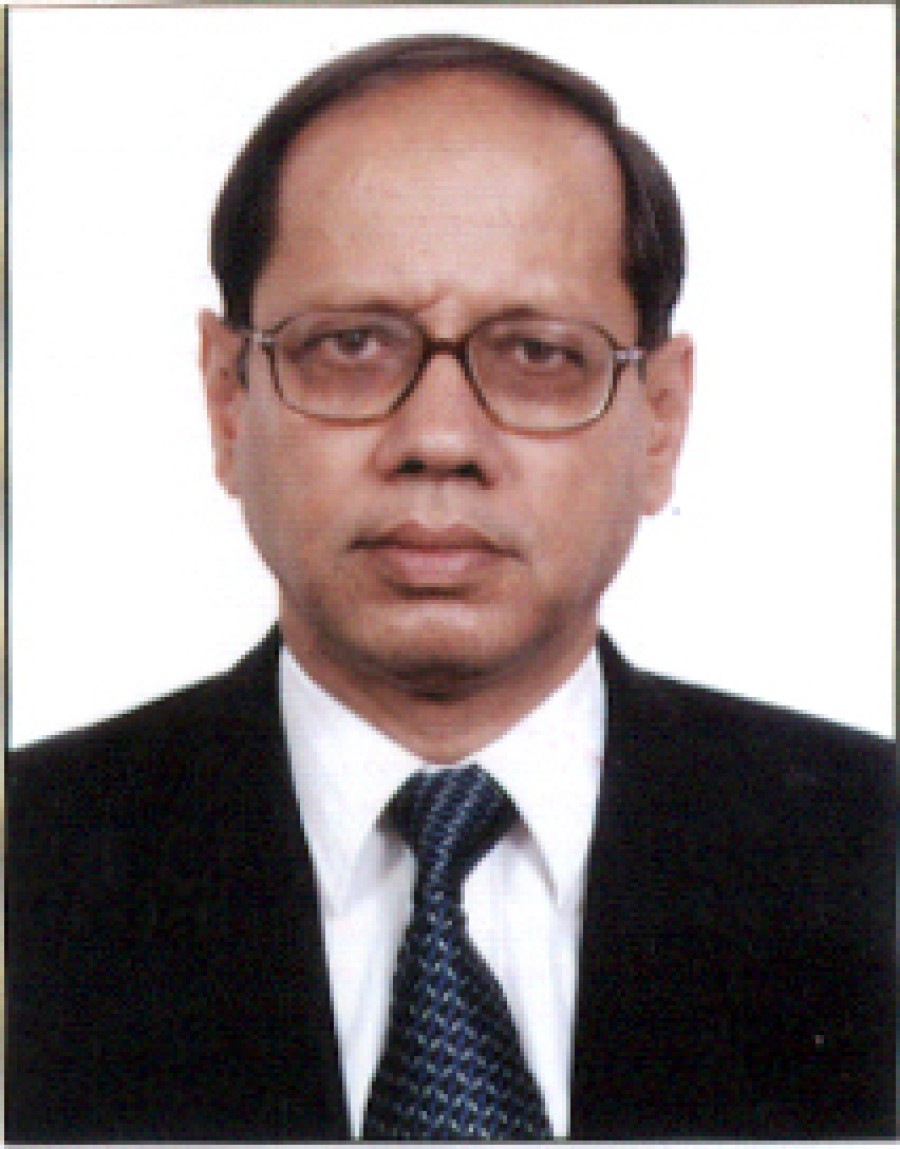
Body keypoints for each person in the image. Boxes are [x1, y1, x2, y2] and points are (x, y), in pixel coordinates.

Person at [6, 33, 894, 1142]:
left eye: (538, 355)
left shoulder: (872, 848)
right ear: (229, 402)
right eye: (350, 345)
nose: (438, 438)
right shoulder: (28, 862)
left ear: (660, 420)